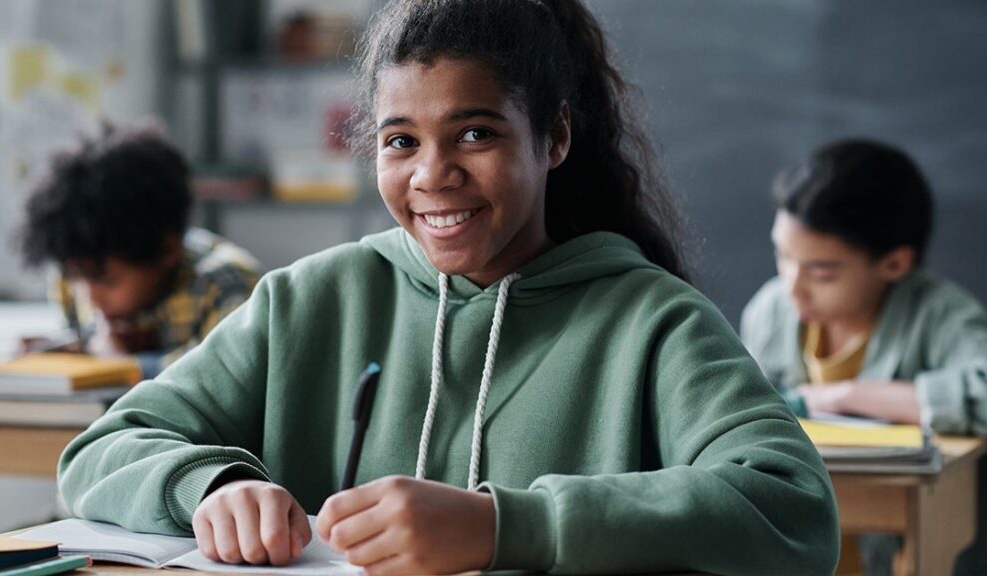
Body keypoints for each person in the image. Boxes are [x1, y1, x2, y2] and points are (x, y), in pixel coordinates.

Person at [58, 1, 839, 574]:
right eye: (401, 141)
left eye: (476, 133)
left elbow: (794, 509)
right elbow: (100, 452)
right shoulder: (309, 301)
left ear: (556, 136)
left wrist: (510, 527)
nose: (434, 175)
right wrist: (210, 485)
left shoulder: (650, 321)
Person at [740, 138, 987, 575]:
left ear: (894, 264)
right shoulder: (771, 310)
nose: (793, 286)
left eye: (822, 271)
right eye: (783, 256)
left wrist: (843, 396)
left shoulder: (940, 314)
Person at [19, 123, 262, 379]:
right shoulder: (75, 278)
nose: (90, 297)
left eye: (109, 281)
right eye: (77, 277)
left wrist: (127, 365)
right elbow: (92, 343)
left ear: (167, 250)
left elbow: (228, 376)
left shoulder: (226, 288)